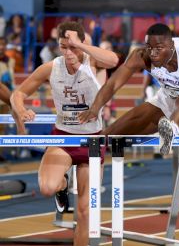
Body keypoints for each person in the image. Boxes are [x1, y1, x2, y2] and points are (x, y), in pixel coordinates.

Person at [10, 21, 119, 245]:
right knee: (47, 188)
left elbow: (114, 60)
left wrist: (80, 45)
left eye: (73, 47)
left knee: (85, 212)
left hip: (91, 141)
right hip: (63, 138)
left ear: (81, 44)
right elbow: (17, 94)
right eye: (63, 47)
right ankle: (63, 185)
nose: (68, 53)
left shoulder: (95, 63)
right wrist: (21, 109)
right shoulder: (52, 67)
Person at [78, 23, 179, 156]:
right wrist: (95, 108)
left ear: (171, 46)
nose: (153, 53)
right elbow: (113, 84)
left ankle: (171, 131)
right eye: (149, 47)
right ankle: (72, 179)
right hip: (167, 99)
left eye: (159, 48)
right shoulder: (141, 56)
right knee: (107, 136)